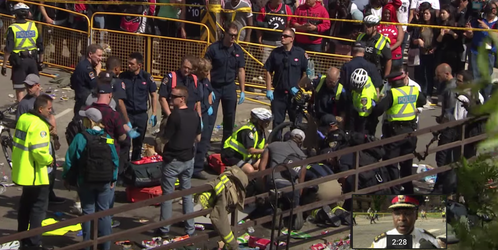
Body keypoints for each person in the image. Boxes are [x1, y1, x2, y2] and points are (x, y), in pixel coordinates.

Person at [63, 108, 119, 250]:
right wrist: (113, 179)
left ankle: (88, 245)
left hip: (85, 180)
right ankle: (105, 245)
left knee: (88, 212)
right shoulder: (107, 137)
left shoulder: (81, 138)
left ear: (90, 121)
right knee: (104, 212)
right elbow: (115, 159)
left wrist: (67, 178)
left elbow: (70, 159)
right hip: (105, 181)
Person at [155, 86, 201, 238]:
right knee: (186, 194)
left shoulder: (175, 116)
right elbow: (198, 137)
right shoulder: (195, 114)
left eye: (174, 96)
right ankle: (190, 229)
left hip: (173, 160)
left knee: (168, 196)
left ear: (182, 99)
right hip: (188, 160)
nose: (170, 99)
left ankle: (164, 230)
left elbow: (165, 138)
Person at [372, 70, 426, 194]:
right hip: (411, 133)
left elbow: (378, 110)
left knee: (391, 163)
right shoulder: (413, 90)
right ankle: (408, 190)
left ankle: (394, 192)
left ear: (391, 83)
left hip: (395, 134)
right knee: (407, 163)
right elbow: (422, 101)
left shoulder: (392, 94)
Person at [15, 74, 65, 205]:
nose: (28, 88)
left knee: (51, 171)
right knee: (41, 170)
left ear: (38, 85)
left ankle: (49, 193)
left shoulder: (44, 100)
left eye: (30, 86)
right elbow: (20, 125)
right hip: (34, 145)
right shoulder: (24, 104)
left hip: (46, 141)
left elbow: (51, 118)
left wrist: (56, 138)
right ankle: (39, 196)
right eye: (26, 85)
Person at [11, 95, 54, 250]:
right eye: (49, 109)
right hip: (36, 175)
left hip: (23, 171)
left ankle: (21, 237)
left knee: (25, 206)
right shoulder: (40, 125)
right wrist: (49, 160)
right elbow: (39, 152)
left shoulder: (24, 118)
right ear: (40, 109)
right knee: (38, 209)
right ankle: (34, 243)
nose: (51, 111)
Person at [204, 22, 247, 149]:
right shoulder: (213, 49)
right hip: (215, 87)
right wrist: (208, 89)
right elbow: (207, 70)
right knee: (210, 119)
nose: (233, 38)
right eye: (231, 35)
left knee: (229, 118)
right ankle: (204, 147)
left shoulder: (237, 50)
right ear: (225, 34)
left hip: (229, 87)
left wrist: (243, 90)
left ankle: (226, 146)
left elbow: (241, 70)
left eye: (235, 35)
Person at [258, 129, 307, 230]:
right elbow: (301, 180)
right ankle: (293, 215)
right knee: (291, 203)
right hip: (292, 186)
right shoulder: (302, 156)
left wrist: (263, 185)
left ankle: (273, 213)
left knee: (267, 204)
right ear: (301, 142)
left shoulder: (273, 145)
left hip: (274, 182)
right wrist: (298, 197)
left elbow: (262, 167)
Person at [264, 28, 307, 135]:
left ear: (292, 39)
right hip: (279, 94)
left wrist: (298, 86)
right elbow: (268, 71)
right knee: (277, 124)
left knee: (296, 124)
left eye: (285, 36)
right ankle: (276, 145)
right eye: (282, 35)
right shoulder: (276, 53)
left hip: (294, 95)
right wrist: (268, 89)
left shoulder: (300, 53)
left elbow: (307, 74)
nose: (282, 37)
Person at [119, 52, 158, 161]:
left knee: (138, 144)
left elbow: (154, 95)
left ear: (139, 65)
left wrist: (154, 113)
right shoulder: (123, 76)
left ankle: (135, 166)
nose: (129, 66)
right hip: (127, 115)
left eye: (132, 64)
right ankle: (124, 168)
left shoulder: (146, 77)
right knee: (125, 143)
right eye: (128, 63)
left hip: (141, 115)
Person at [2, 3, 44, 103]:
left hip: (19, 62)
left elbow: (8, 49)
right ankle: (38, 108)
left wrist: (4, 66)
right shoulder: (33, 26)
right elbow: (41, 46)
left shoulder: (13, 28)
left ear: (15, 14)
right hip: (32, 60)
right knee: (35, 87)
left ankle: (21, 113)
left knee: (20, 88)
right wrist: (41, 62)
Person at [371, 195, 443, 248]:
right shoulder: (380, 243)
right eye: (397, 213)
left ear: (416, 215)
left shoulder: (431, 241)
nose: (402, 218)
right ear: (392, 216)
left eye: (407, 213)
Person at [221, 108, 272, 174]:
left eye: (268, 121)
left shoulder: (260, 131)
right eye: (265, 121)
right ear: (258, 121)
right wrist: (266, 150)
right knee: (250, 170)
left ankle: (260, 176)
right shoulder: (247, 131)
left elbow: (264, 145)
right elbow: (251, 150)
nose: (267, 123)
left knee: (262, 165)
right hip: (231, 155)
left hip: (244, 156)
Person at [464, 1, 498, 101]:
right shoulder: (478, 20)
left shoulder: (496, 23)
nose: (493, 11)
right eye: (491, 9)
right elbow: (470, 35)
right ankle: (476, 100)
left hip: (489, 53)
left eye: (495, 9)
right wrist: (469, 32)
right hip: (475, 51)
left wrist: (487, 28)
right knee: (475, 76)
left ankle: (485, 99)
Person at [433, 63, 458, 194]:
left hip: (449, 129)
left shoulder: (451, 89)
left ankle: (440, 188)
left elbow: (450, 112)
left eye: (439, 75)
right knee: (443, 158)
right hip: (447, 126)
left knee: (442, 158)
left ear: (447, 74)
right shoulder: (448, 87)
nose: (437, 78)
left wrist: (440, 125)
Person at [192, 58, 214, 180]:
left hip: (205, 112)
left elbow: (210, 91)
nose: (207, 74)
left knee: (204, 140)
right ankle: (189, 168)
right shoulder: (194, 81)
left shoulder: (205, 81)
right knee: (194, 142)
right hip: (195, 114)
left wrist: (210, 105)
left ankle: (198, 168)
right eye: (205, 72)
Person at [70, 44, 103, 116]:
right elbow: (94, 85)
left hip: (80, 99)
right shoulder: (88, 69)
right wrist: (97, 72)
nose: (101, 59)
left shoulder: (82, 64)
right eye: (99, 56)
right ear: (90, 54)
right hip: (84, 102)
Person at [348, 68, 378, 135]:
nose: (354, 88)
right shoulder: (367, 80)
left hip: (365, 117)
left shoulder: (364, 97)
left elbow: (363, 117)